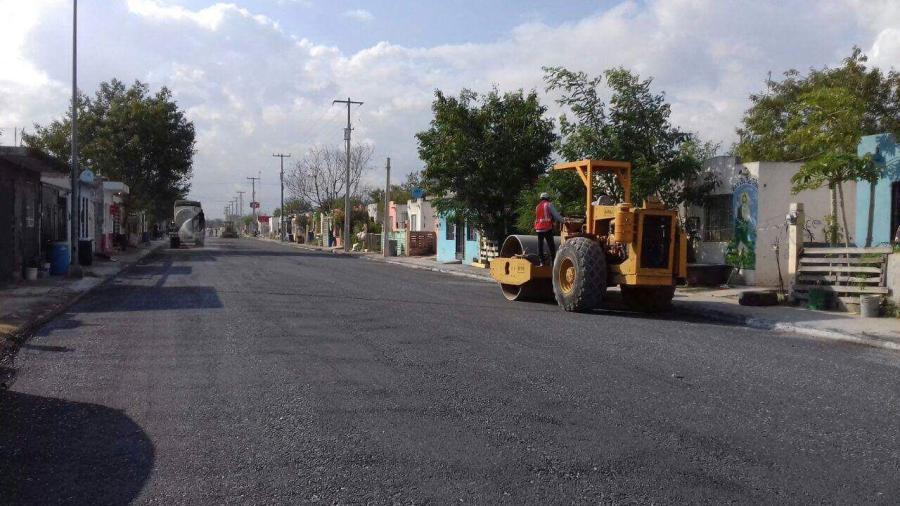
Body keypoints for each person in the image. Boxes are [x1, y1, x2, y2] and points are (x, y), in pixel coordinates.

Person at [534, 192, 563, 266]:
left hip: (538, 228)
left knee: (540, 245)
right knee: (551, 245)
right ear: (548, 198)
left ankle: (541, 262)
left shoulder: (537, 206)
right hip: (547, 228)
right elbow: (556, 215)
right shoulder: (548, 204)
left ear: (541, 198)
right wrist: (564, 221)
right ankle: (553, 262)